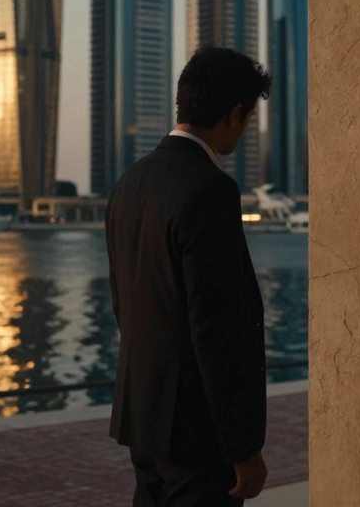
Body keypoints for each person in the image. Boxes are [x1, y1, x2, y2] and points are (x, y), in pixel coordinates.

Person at [106, 46, 273, 507]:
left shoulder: (130, 182)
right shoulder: (210, 188)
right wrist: (242, 448)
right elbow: (214, 328)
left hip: (144, 418)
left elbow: (124, 301)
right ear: (235, 113)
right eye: (248, 117)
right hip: (198, 434)